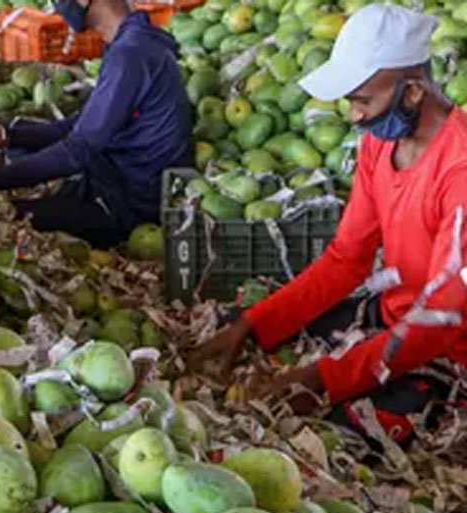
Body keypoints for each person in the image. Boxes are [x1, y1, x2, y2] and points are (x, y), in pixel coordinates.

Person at [193, 4, 467, 444]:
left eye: (363, 101)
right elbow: (346, 259)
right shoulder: (380, 144)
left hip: (449, 347)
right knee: (247, 327)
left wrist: (323, 378)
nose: (354, 116)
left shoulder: (460, 171)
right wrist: (254, 323)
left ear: (413, 91)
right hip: (395, 315)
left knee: (344, 432)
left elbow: (441, 318)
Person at [0, 0, 192, 249]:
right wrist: (10, 136)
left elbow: (78, 150)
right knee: (18, 176)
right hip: (111, 181)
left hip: (129, 206)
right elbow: (81, 125)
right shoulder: (134, 42)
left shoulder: (130, 56)